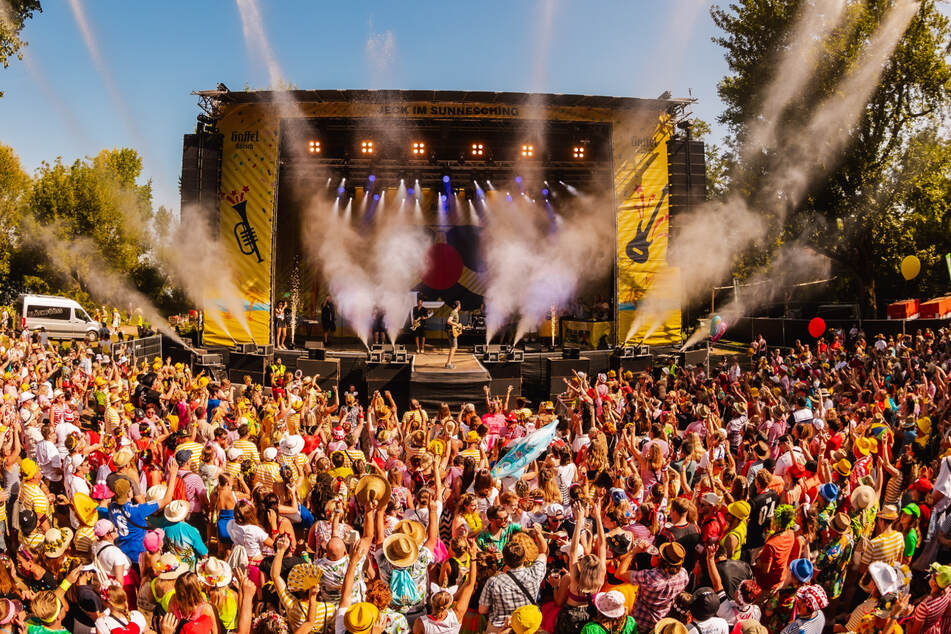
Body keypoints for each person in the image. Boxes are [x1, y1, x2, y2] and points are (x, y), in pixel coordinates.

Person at [445, 301, 461, 369]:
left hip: (453, 331)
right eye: (460, 305)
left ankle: (448, 363)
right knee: (453, 347)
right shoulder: (454, 312)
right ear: (458, 305)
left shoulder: (455, 312)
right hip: (451, 332)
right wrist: (456, 324)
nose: (460, 306)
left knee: (453, 347)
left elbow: (454, 323)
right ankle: (448, 363)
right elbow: (448, 321)